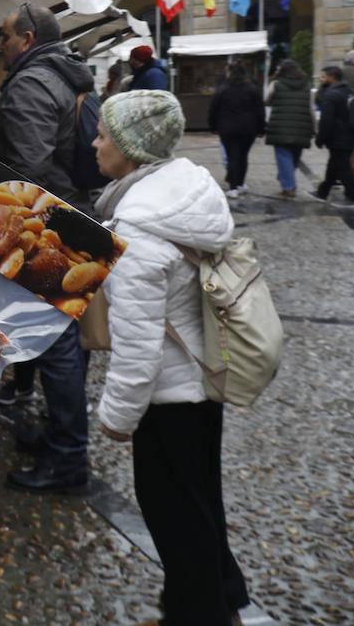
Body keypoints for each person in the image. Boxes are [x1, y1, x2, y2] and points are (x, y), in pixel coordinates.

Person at [92, 89, 250, 626]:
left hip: (168, 396)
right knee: (201, 500)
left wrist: (116, 417)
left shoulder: (138, 226)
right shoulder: (184, 190)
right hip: (203, 379)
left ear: (132, 149)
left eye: (104, 136)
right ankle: (221, 598)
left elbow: (138, 347)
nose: (95, 144)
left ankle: (196, 614)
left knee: (173, 515)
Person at [0, 3, 94, 495]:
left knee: (57, 344)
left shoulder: (30, 82)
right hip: (70, 214)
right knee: (61, 340)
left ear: (26, 39)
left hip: (52, 222)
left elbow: (30, 167)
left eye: (5, 37)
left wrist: (38, 230)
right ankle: (59, 436)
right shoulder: (63, 73)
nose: (0, 46)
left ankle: (68, 457)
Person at [207, 63, 265, 198]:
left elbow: (213, 110)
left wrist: (213, 126)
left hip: (227, 129)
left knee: (232, 156)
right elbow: (260, 111)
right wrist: (261, 128)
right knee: (243, 156)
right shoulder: (252, 90)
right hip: (248, 129)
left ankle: (233, 187)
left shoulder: (222, 90)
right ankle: (240, 183)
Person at [263, 59, 315, 198]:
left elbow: (267, 101)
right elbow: (311, 108)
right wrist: (314, 128)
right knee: (294, 157)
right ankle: (286, 178)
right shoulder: (307, 86)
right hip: (302, 126)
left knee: (283, 156)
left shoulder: (276, 84)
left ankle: (289, 186)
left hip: (280, 126)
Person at [313, 64, 354, 204]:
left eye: (323, 77)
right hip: (350, 135)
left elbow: (326, 121)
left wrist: (320, 139)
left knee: (344, 168)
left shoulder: (331, 95)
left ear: (332, 77)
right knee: (334, 165)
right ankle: (323, 192)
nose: (321, 79)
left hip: (338, 138)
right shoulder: (349, 91)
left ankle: (352, 196)